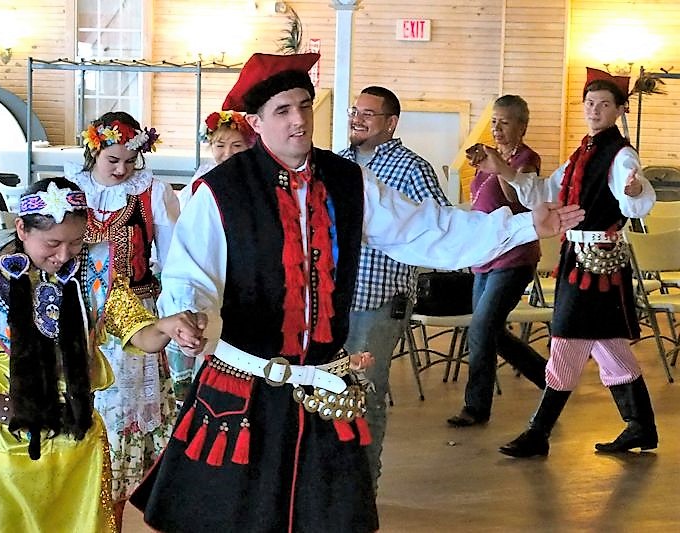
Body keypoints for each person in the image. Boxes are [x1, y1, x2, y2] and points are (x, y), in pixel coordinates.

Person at [128, 52, 584, 532]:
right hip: (246, 391)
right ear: (257, 123)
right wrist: (188, 314)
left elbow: (423, 229)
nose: (299, 120)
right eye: (282, 110)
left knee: (330, 519)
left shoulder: (347, 180)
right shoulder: (220, 189)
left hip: (326, 389)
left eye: (304, 106)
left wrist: (520, 227)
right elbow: (191, 273)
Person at [0, 177, 206, 532]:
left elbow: (141, 333)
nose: (64, 256)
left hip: (76, 456)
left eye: (76, 242)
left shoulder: (94, 273)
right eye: (52, 243)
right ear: (21, 228)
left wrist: (169, 326)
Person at [473, 74, 658, 458]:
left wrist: (635, 189)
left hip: (598, 264)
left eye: (604, 105)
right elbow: (546, 192)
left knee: (567, 339)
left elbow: (633, 197)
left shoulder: (621, 154)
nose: (594, 111)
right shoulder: (581, 153)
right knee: (607, 345)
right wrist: (503, 169)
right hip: (578, 258)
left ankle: (538, 431)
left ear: (619, 110)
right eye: (590, 104)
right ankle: (640, 425)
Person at [65, 111, 184, 529]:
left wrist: (173, 312)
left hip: (135, 312)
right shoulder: (72, 191)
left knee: (124, 414)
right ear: (93, 152)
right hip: (79, 313)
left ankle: (116, 506)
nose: (121, 169)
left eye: (129, 161)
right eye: (112, 160)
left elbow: (173, 259)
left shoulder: (152, 193)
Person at [338, 85, 450, 488]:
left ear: (391, 123)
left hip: (379, 302)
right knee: (329, 391)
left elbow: (438, 224)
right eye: (355, 111)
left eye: (368, 114)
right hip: (334, 301)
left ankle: (363, 486)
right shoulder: (338, 163)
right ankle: (333, 483)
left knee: (364, 392)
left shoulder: (411, 168)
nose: (358, 119)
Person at [447, 95, 549, 428]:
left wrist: (499, 168)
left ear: (522, 126)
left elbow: (515, 197)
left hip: (515, 257)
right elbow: (479, 199)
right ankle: (550, 379)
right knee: (490, 331)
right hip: (484, 254)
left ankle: (476, 407)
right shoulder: (491, 156)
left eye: (505, 122)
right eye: (494, 121)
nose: (497, 128)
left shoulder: (526, 159)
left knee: (481, 328)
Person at [177, 110, 256, 209]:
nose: (227, 153)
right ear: (211, 146)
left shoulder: (255, 177)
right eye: (220, 145)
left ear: (249, 146)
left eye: (237, 145)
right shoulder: (204, 175)